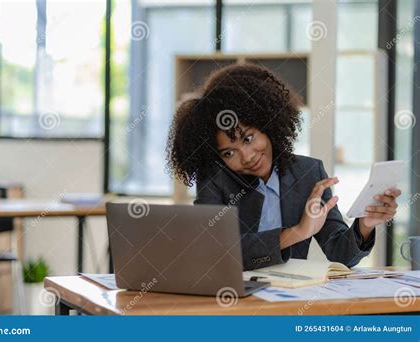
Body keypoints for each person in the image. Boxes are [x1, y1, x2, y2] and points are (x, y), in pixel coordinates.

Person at [166, 63, 401, 271]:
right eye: (229, 152)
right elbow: (217, 251)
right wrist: (297, 232)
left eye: (248, 138)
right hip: (232, 296)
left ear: (268, 125)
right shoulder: (216, 180)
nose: (246, 156)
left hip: (288, 299)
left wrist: (365, 224)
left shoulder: (308, 173)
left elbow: (339, 254)